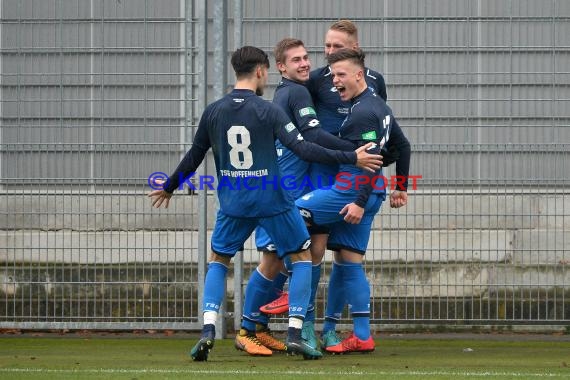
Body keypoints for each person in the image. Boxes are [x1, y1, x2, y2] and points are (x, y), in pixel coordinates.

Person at [147, 46, 383, 361]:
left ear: (235, 71)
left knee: (219, 261)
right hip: (273, 201)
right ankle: (296, 332)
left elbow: (194, 155)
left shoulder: (214, 110)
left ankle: (208, 330)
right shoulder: (270, 109)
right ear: (261, 71)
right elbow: (305, 148)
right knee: (301, 258)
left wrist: (169, 186)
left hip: (233, 202)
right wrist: (351, 156)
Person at [260, 19, 399, 351]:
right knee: (316, 246)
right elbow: (302, 126)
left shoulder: (374, 83)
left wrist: (394, 178)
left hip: (359, 176)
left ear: (355, 48)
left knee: (348, 257)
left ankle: (332, 329)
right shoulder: (313, 80)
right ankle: (304, 324)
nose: (329, 55)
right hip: (328, 171)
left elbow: (390, 137)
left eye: (337, 47)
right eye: (326, 47)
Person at [240, 38, 363, 357]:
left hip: (298, 192)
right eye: (296, 60)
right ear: (280, 67)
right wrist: (352, 151)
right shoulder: (293, 92)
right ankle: (246, 329)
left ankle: (266, 325)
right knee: (271, 261)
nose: (305, 63)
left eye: (306, 57)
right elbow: (310, 140)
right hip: (281, 193)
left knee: (301, 256)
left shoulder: (294, 91)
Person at [295, 48, 411, 353]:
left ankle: (290, 291)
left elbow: (371, 161)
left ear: (359, 75)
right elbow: (402, 146)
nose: (335, 82)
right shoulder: (379, 107)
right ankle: (362, 334)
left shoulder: (362, 113)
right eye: (333, 75)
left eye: (341, 75)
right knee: (350, 262)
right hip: (372, 193)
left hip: (350, 192)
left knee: (289, 211)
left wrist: (358, 201)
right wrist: (400, 186)